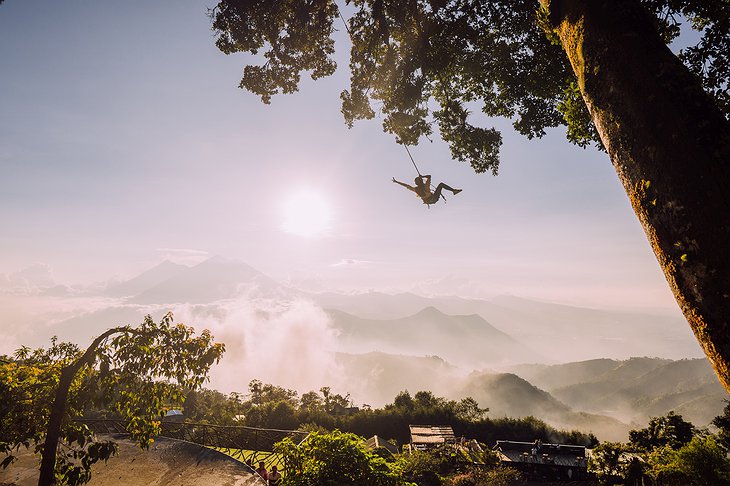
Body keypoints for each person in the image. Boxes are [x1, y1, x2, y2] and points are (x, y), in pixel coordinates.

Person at [392, 175, 461, 205]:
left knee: (440, 185)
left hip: (429, 201)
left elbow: (406, 185)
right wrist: (422, 176)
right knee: (441, 184)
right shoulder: (426, 186)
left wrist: (396, 182)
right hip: (433, 198)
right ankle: (453, 191)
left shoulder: (415, 189)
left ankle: (454, 191)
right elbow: (429, 176)